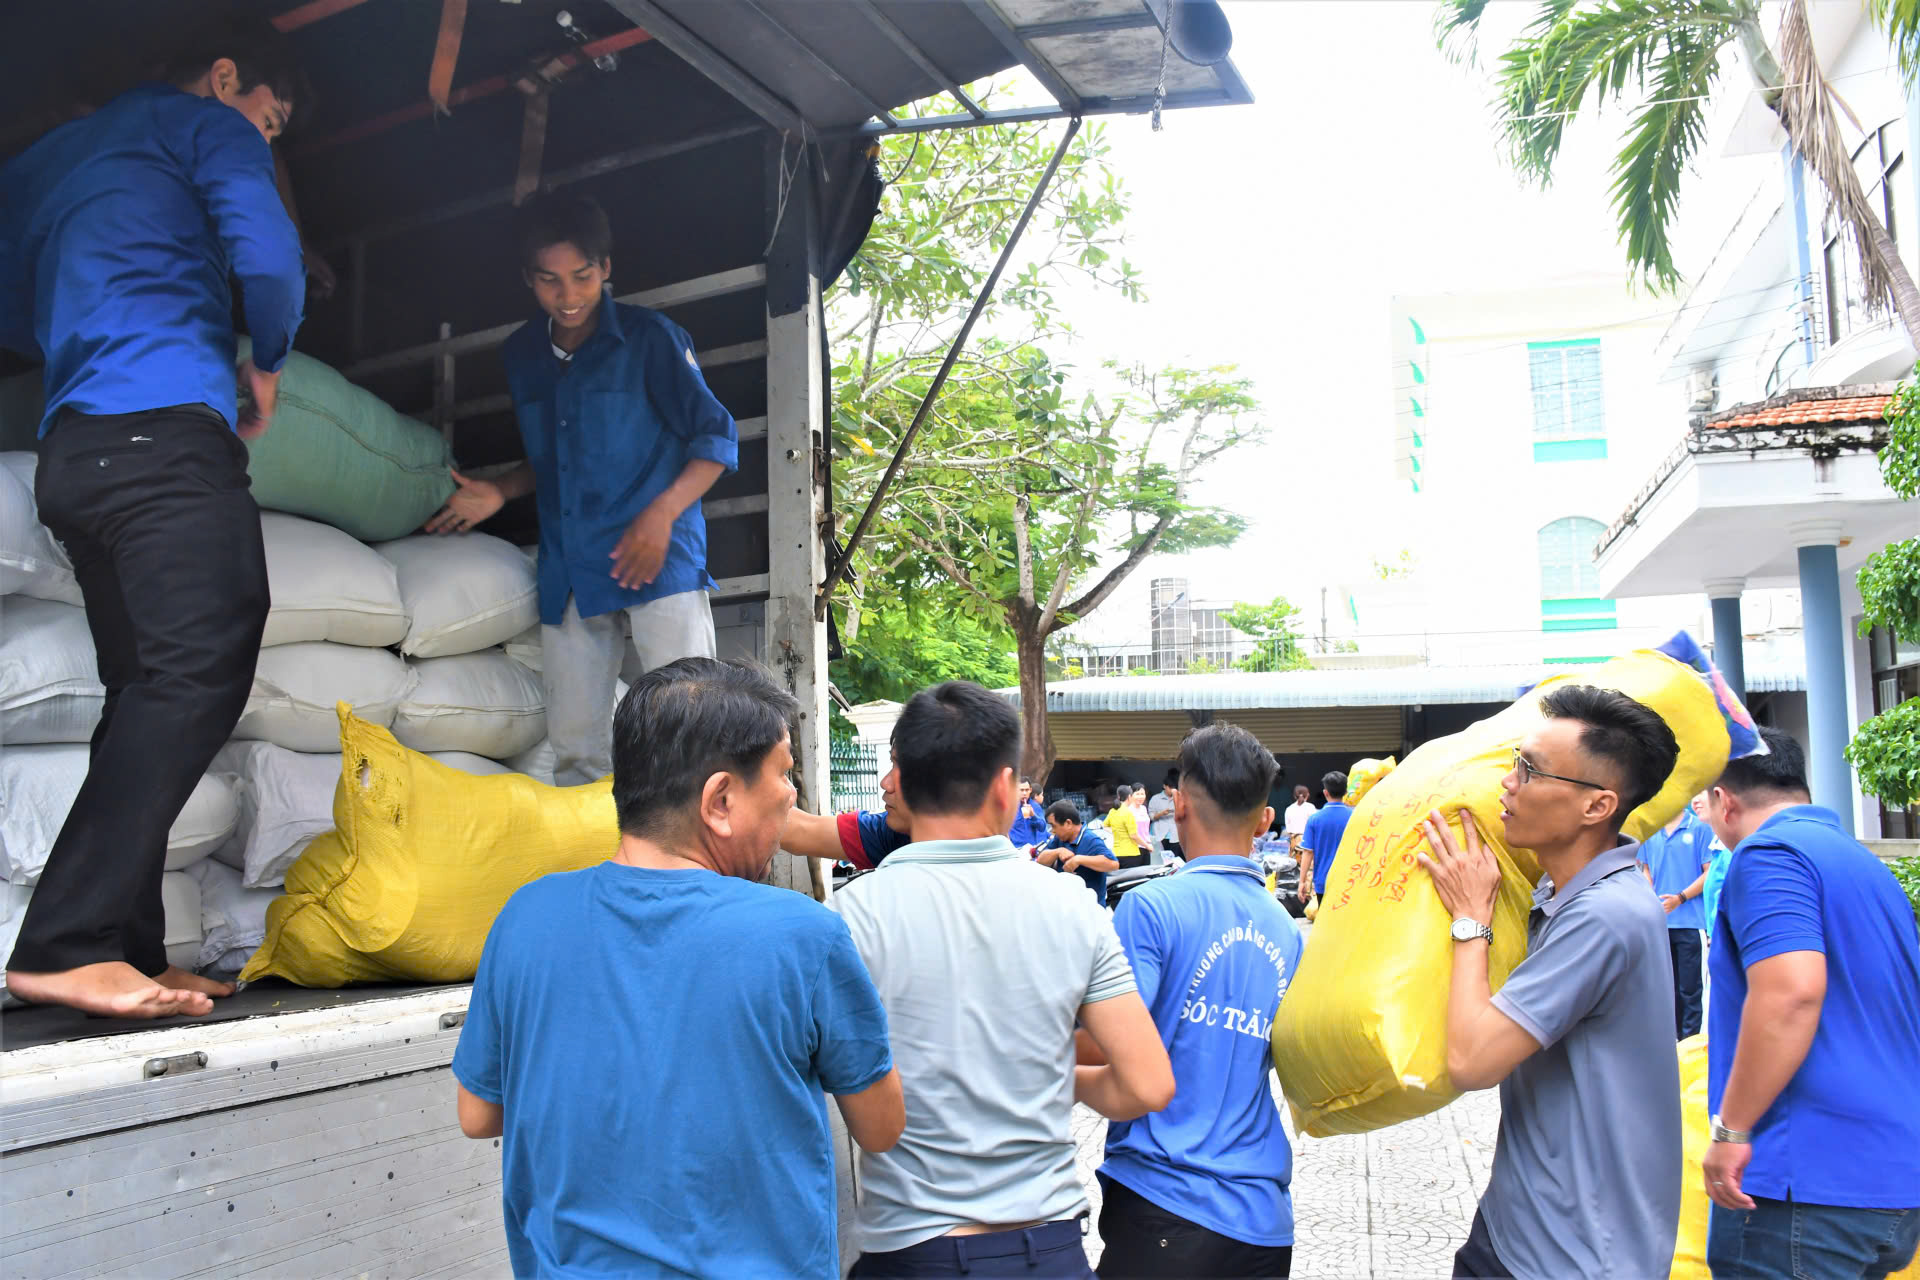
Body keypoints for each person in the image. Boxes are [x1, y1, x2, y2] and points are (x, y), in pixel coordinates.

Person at [0, 19, 308, 1018]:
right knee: (204, 660)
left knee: (142, 687)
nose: (261, 139)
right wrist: (265, 352)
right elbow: (268, 252)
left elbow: (13, 296)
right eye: (266, 121)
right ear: (225, 80)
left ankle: (118, 946)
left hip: (75, 452)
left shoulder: (52, 159)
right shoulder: (200, 126)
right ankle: (65, 936)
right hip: (163, 433)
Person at [451, 657, 905, 1276]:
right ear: (719, 800)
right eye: (783, 775)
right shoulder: (803, 935)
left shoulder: (524, 917)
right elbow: (879, 1128)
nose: (792, 797)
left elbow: (479, 1115)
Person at [831, 682, 1174, 1278]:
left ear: (902, 784)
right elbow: (1148, 1086)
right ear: (1004, 787)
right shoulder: (1073, 906)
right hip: (1047, 1251)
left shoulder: (847, 917)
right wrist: (1054, 1073)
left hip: (914, 1253)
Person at [425, 191, 737, 786]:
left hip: (659, 555)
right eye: (549, 281)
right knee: (575, 754)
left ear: (606, 270)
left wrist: (662, 515)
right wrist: (501, 491)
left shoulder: (653, 338)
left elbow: (715, 441)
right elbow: (556, 458)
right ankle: (595, 873)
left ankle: (693, 870)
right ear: (528, 279)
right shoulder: (522, 355)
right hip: (572, 563)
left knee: (693, 736)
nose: (567, 296)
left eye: (581, 276)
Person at [1418, 685, 1683, 1280]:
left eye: (1530, 772)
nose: (1508, 785)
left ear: (1597, 807)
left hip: (1571, 1252)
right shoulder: (1570, 894)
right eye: (1515, 764)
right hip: (1525, 1222)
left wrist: (1470, 920)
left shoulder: (1603, 916)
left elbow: (1472, 1060)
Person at [1698, 728, 1920, 1280]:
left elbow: (1791, 993)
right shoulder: (1863, 864)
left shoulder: (1769, 853)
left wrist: (1733, 1130)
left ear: (1725, 800)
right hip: (1890, 1177)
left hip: (1807, 1184)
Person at [1091, 725, 1304, 1279]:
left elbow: (1103, 1048)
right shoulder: (1287, 931)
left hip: (1165, 1208)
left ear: (1179, 805)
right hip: (1263, 1221)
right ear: (1264, 821)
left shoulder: (1150, 909)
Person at [1638, 803, 1715, 1038]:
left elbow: (1709, 871)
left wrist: (1680, 898)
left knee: (1691, 991)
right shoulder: (1651, 832)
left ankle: (1691, 1048)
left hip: (1691, 923)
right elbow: (1646, 871)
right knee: (1665, 991)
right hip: (1660, 927)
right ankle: (1671, 1048)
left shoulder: (1700, 827)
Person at [1036, 799, 1121, 905]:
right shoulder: (1060, 839)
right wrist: (1057, 851)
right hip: (1067, 905)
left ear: (1068, 823)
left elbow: (1113, 864)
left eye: (1053, 826)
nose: (1052, 830)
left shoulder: (1090, 839)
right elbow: (1040, 861)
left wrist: (1079, 859)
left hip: (1090, 908)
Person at [1296, 772, 1353, 903]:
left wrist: (1302, 882)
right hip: (1350, 881)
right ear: (1345, 792)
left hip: (1324, 881)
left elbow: (1308, 852)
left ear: (1325, 793)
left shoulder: (1315, 819)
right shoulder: (1354, 817)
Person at [1108, 785, 1147, 868]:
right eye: (1137, 794)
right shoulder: (1128, 812)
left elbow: (1105, 826)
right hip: (1133, 849)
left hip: (1122, 851)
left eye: (1142, 794)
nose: (1140, 797)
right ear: (1130, 796)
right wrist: (1147, 846)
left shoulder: (1143, 809)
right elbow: (1133, 835)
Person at [1147, 770, 1180, 861]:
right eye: (1170, 787)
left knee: (1175, 858)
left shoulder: (1179, 797)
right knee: (1160, 858)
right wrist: (1162, 813)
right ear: (1164, 786)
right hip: (1160, 832)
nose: (1172, 790)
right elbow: (1151, 816)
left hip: (1175, 833)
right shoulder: (1156, 798)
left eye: (1174, 788)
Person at [1011, 777, 1049, 849]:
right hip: (1015, 849)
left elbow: (1042, 827)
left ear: (1030, 790)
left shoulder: (1035, 806)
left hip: (1030, 850)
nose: (1024, 793)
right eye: (1021, 790)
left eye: (1027, 790)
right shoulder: (1010, 807)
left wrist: (1033, 815)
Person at [1282, 784, 1316, 855]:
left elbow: (1288, 828)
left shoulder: (1289, 809)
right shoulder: (1311, 807)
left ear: (1294, 796)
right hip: (1307, 841)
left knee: (1294, 863)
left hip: (1294, 841)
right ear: (1307, 795)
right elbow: (1315, 825)